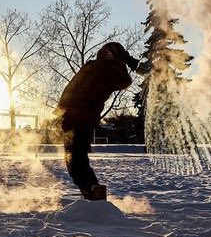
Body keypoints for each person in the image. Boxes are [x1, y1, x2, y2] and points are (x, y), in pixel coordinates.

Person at [55, 41, 144, 201]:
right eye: (106, 50)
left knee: (76, 154)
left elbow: (124, 81)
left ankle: (92, 189)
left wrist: (122, 60)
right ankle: (90, 188)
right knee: (74, 154)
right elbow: (72, 86)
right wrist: (61, 108)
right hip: (73, 115)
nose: (106, 53)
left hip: (83, 117)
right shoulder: (95, 66)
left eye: (110, 52)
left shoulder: (110, 70)